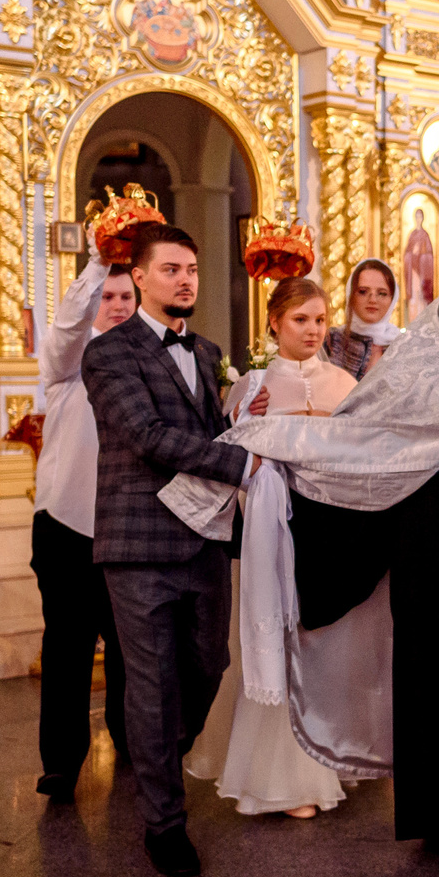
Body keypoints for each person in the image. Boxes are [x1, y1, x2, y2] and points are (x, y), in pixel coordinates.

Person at [159, 190, 439, 867]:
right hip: (428, 558)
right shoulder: (413, 355)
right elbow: (357, 438)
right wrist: (283, 453)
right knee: (434, 685)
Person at [84, 222, 258, 877]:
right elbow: (147, 434)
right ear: (140, 278)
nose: (185, 279)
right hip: (139, 543)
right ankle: (164, 823)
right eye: (171, 269)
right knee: (153, 683)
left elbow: (206, 430)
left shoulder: (207, 348)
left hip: (204, 537)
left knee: (209, 664)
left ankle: (160, 754)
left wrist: (245, 422)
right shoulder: (110, 352)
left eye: (191, 268)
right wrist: (240, 460)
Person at [188, 277, 354, 819]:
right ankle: (280, 779)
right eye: (300, 320)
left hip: (329, 535)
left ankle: (330, 753)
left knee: (322, 649)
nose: (312, 330)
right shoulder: (251, 386)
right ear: (275, 323)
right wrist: (243, 419)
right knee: (275, 647)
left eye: (320, 320)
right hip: (268, 536)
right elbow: (228, 463)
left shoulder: (346, 385)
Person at [29, 251, 135, 803]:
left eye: (125, 297)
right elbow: (68, 328)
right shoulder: (70, 358)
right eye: (106, 298)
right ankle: (61, 764)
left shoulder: (150, 358)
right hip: (67, 523)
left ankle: (129, 745)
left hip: (129, 523)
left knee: (128, 646)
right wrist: (97, 266)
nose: (116, 307)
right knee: (67, 645)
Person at [320, 258, 401, 380]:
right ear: (351, 295)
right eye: (363, 291)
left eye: (382, 293)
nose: (373, 300)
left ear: (392, 299)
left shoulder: (402, 345)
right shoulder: (331, 341)